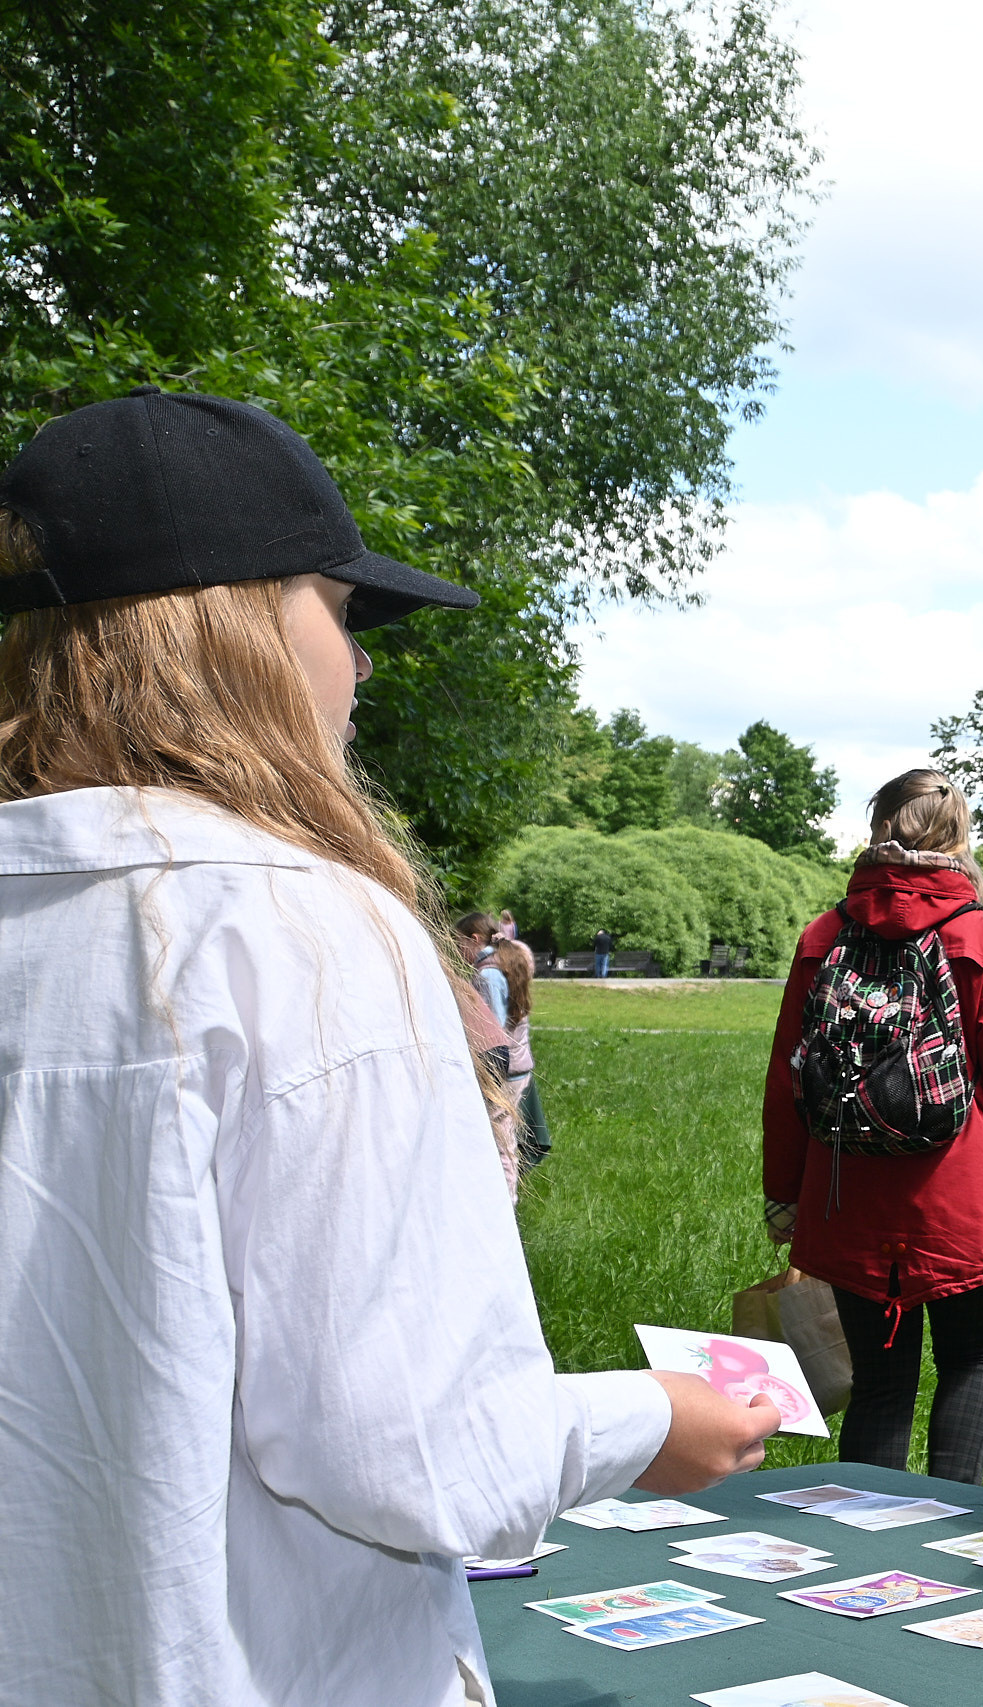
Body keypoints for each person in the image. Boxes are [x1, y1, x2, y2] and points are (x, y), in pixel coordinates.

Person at [0, 388, 777, 1705]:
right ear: (233, 620)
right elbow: (410, 1445)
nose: (359, 666)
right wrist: (652, 1417)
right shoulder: (288, 925)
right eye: (340, 610)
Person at [763, 769, 983, 1481]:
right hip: (965, 1206)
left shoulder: (824, 934)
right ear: (956, 838)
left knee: (880, 1381)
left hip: (846, 1203)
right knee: (970, 1362)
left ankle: (867, 1539)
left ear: (878, 832)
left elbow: (787, 1076)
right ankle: (951, 1530)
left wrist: (785, 1194)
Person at [490, 936, 553, 1167]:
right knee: (509, 1141)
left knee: (503, 1145)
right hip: (520, 1071)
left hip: (507, 1074)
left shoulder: (498, 988)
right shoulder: (519, 992)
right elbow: (525, 956)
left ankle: (508, 1197)